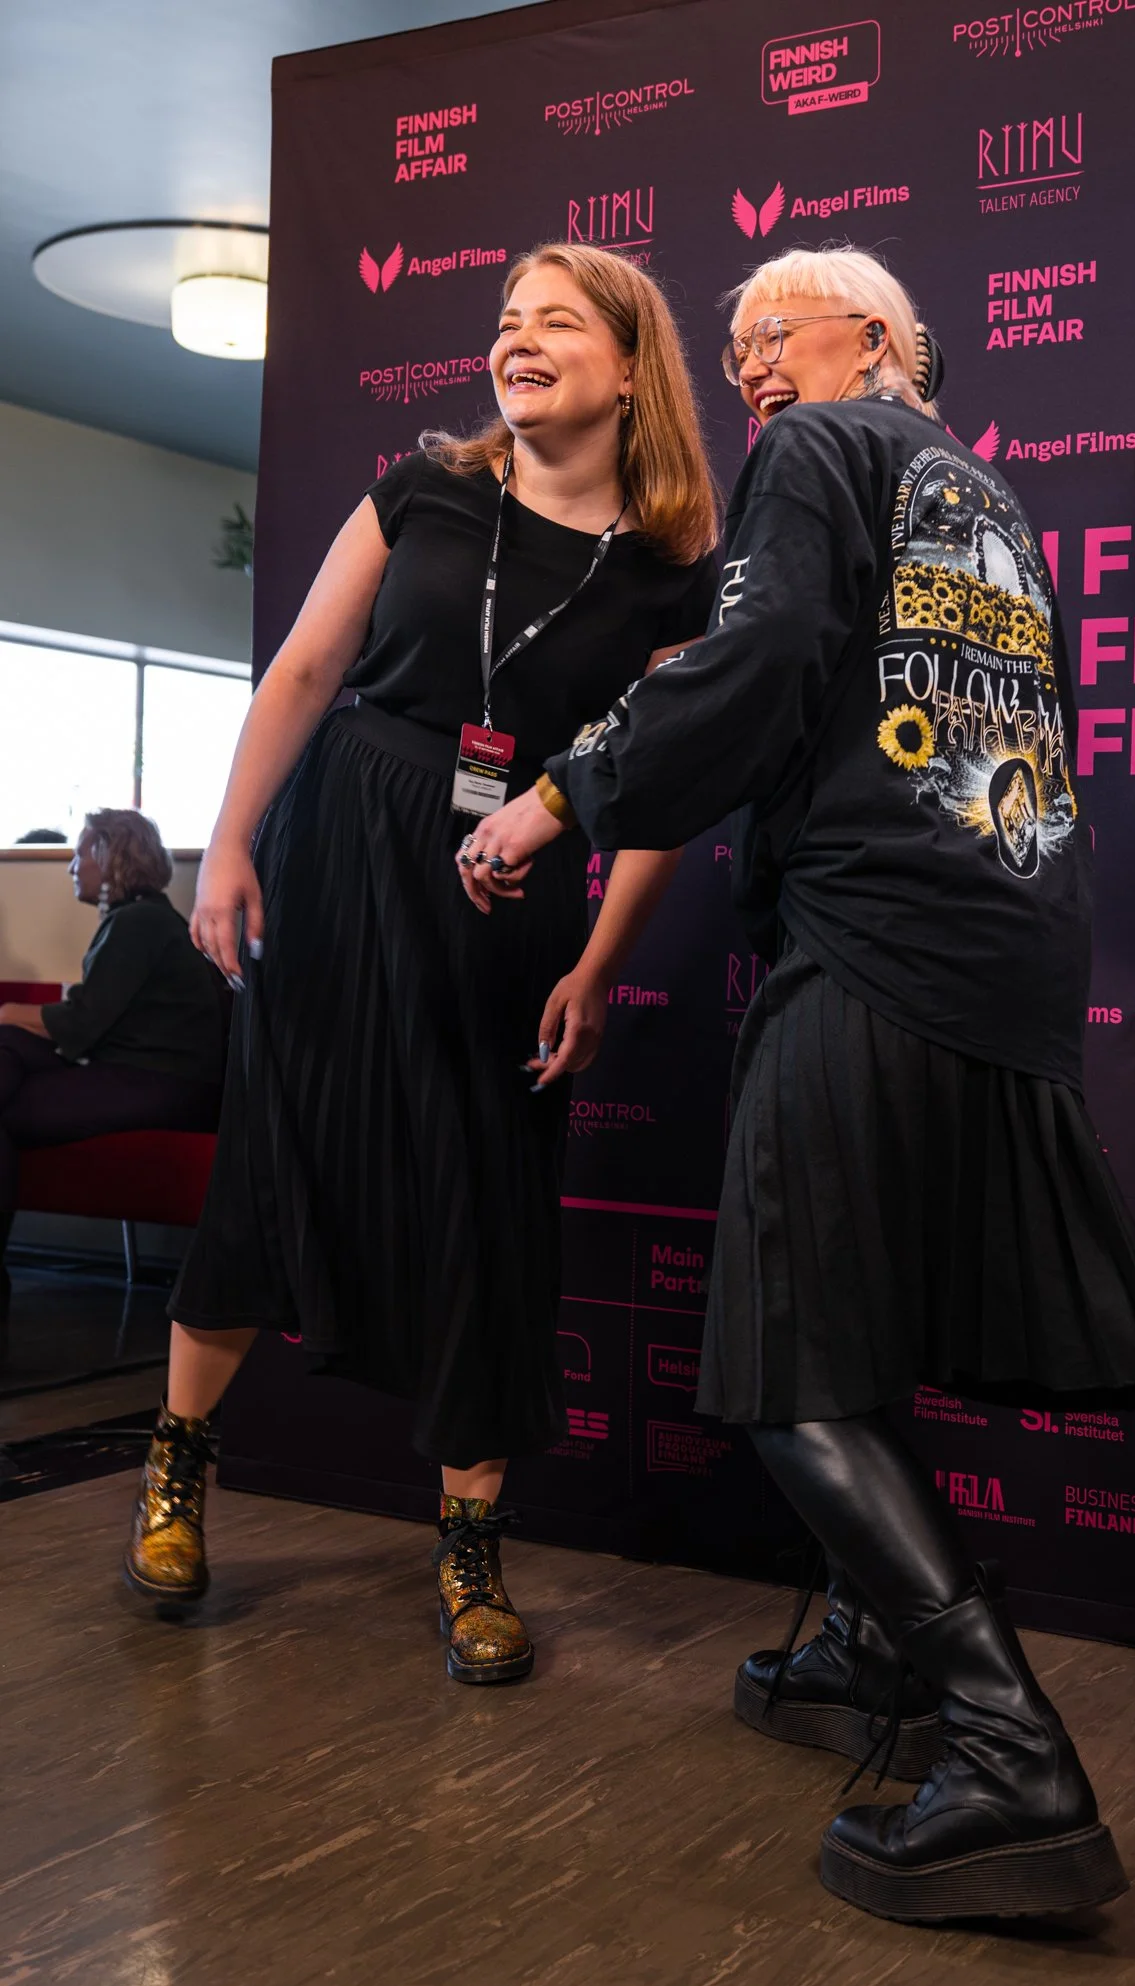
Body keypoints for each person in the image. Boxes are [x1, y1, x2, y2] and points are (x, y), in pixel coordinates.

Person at [457, 244, 1135, 1922]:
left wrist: (562, 796)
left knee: (791, 1353)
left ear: (873, 336)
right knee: (858, 1317)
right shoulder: (991, 503)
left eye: (768, 337)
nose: (747, 374)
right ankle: (877, 1642)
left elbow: (761, 657)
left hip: (874, 943)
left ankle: (1017, 1766)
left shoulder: (824, 450)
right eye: (726, 354)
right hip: (1010, 958)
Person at [124, 244, 719, 1690]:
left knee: (490, 1206)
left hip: (507, 895)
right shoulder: (421, 493)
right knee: (277, 1151)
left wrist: (593, 955)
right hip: (343, 847)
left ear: (629, 366)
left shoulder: (668, 575)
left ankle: (466, 1555)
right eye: (505, 321)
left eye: (555, 323)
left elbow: (659, 788)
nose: (516, 341)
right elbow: (306, 672)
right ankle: (177, 1470)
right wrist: (231, 838)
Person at [0, 811, 224, 1305]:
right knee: (11, 1049)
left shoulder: (139, 923)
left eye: (81, 852)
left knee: (7, 1099)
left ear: (110, 855)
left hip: (163, 1085)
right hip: (145, 1076)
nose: (72, 866)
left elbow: (82, 1023)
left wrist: (10, 1010)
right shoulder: (143, 918)